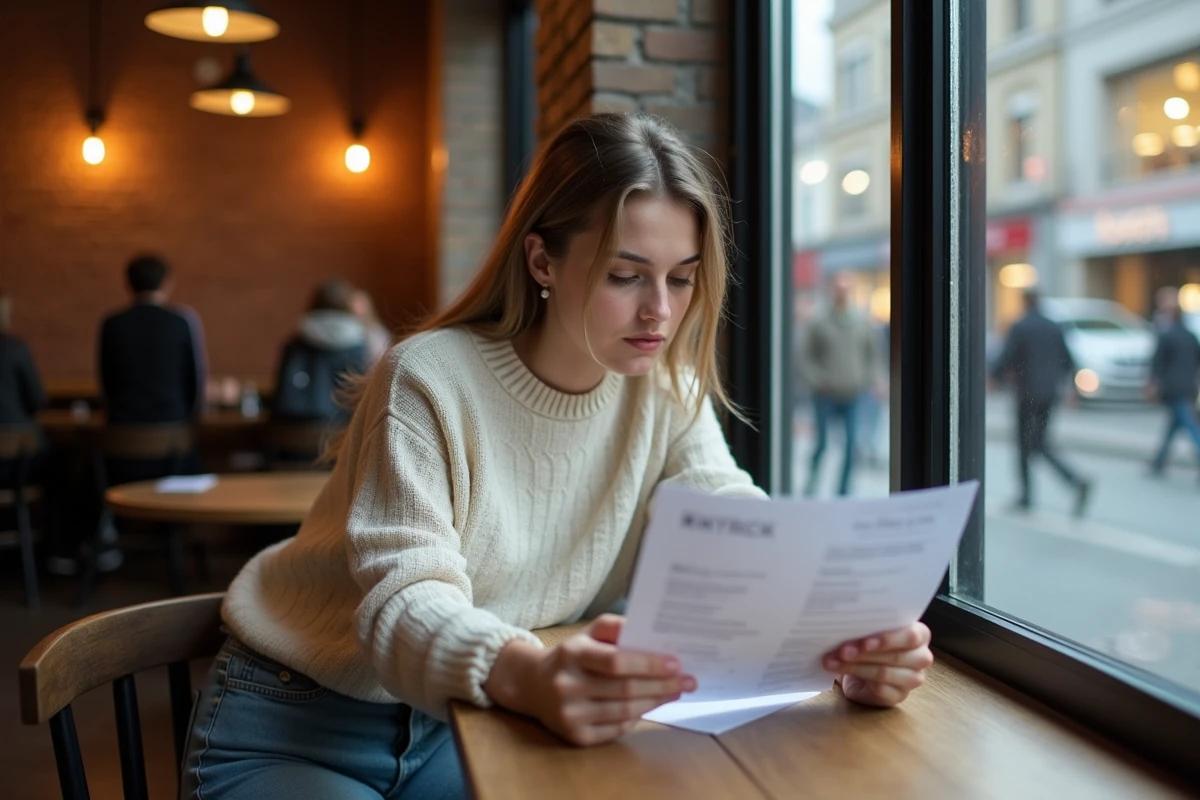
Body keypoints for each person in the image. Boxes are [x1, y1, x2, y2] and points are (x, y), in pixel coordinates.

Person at [179, 113, 936, 800]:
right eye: (625, 275)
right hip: (304, 718)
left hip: (473, 720)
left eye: (681, 278)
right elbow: (403, 601)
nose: (660, 313)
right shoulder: (428, 375)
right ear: (542, 261)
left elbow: (732, 520)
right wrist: (529, 673)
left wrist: (837, 635)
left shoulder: (665, 391)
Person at [991, 288, 1091, 516]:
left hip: (1026, 393)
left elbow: (1007, 357)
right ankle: (1075, 481)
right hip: (1049, 394)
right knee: (1040, 443)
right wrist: (1073, 388)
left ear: (1024, 302)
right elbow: (1068, 359)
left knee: (1025, 444)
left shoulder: (1020, 326)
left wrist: (993, 378)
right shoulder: (1054, 327)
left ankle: (1028, 495)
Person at [798, 272, 883, 496]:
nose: (842, 293)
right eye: (839, 288)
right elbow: (806, 356)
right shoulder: (819, 321)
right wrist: (818, 380)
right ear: (832, 290)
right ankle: (812, 485)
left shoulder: (862, 322)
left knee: (852, 444)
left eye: (846, 289)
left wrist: (871, 380)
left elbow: (872, 355)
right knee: (822, 444)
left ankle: (843, 492)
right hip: (825, 395)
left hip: (853, 394)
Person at [99, 255, 206, 424]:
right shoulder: (181, 322)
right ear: (167, 283)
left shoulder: (112, 324)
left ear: (127, 284)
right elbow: (194, 381)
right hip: (172, 430)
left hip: (122, 432)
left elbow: (106, 381)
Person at [271, 279, 370, 427]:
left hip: (292, 431)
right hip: (340, 434)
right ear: (347, 306)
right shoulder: (357, 344)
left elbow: (281, 392)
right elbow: (359, 397)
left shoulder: (295, 342)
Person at [1146, 293, 1200, 479]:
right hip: (1188, 387)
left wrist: (1152, 384)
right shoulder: (1190, 336)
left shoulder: (1167, 335)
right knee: (1174, 425)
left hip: (1173, 388)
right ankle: (1158, 463)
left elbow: (1157, 363)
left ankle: (1158, 463)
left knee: (1189, 426)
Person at [349, 287, 393, 365]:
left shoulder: (376, 331)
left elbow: (381, 357)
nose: (357, 309)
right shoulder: (347, 330)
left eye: (361, 305)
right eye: (354, 304)